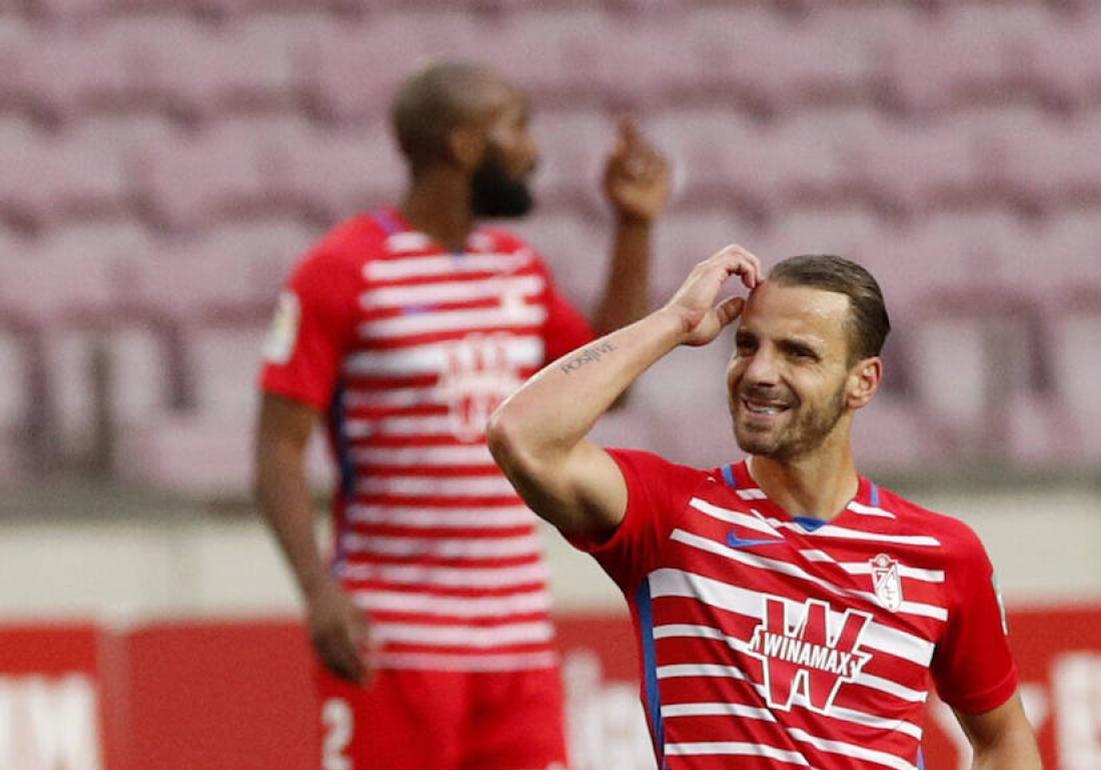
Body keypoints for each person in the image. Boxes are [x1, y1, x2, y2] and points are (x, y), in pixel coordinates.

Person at [254, 60, 670, 770]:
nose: (533, 152)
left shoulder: (515, 267)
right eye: (516, 127)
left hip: (517, 641)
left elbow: (609, 386)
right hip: (394, 639)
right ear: (462, 145)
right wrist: (318, 592)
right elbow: (277, 448)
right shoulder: (344, 270)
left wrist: (633, 227)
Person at [487, 246, 1043, 770]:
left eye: (796, 353)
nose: (758, 372)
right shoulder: (672, 515)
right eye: (747, 344)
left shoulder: (941, 554)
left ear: (862, 382)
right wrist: (674, 322)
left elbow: (1004, 737)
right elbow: (523, 436)